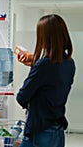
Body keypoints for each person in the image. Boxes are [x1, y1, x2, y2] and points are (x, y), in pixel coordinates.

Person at [16, 14, 76, 147]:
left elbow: (22, 96)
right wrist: (35, 63)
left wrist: (36, 67)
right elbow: (51, 82)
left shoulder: (43, 65)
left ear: (45, 38)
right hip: (57, 129)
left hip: (40, 131)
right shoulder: (69, 63)